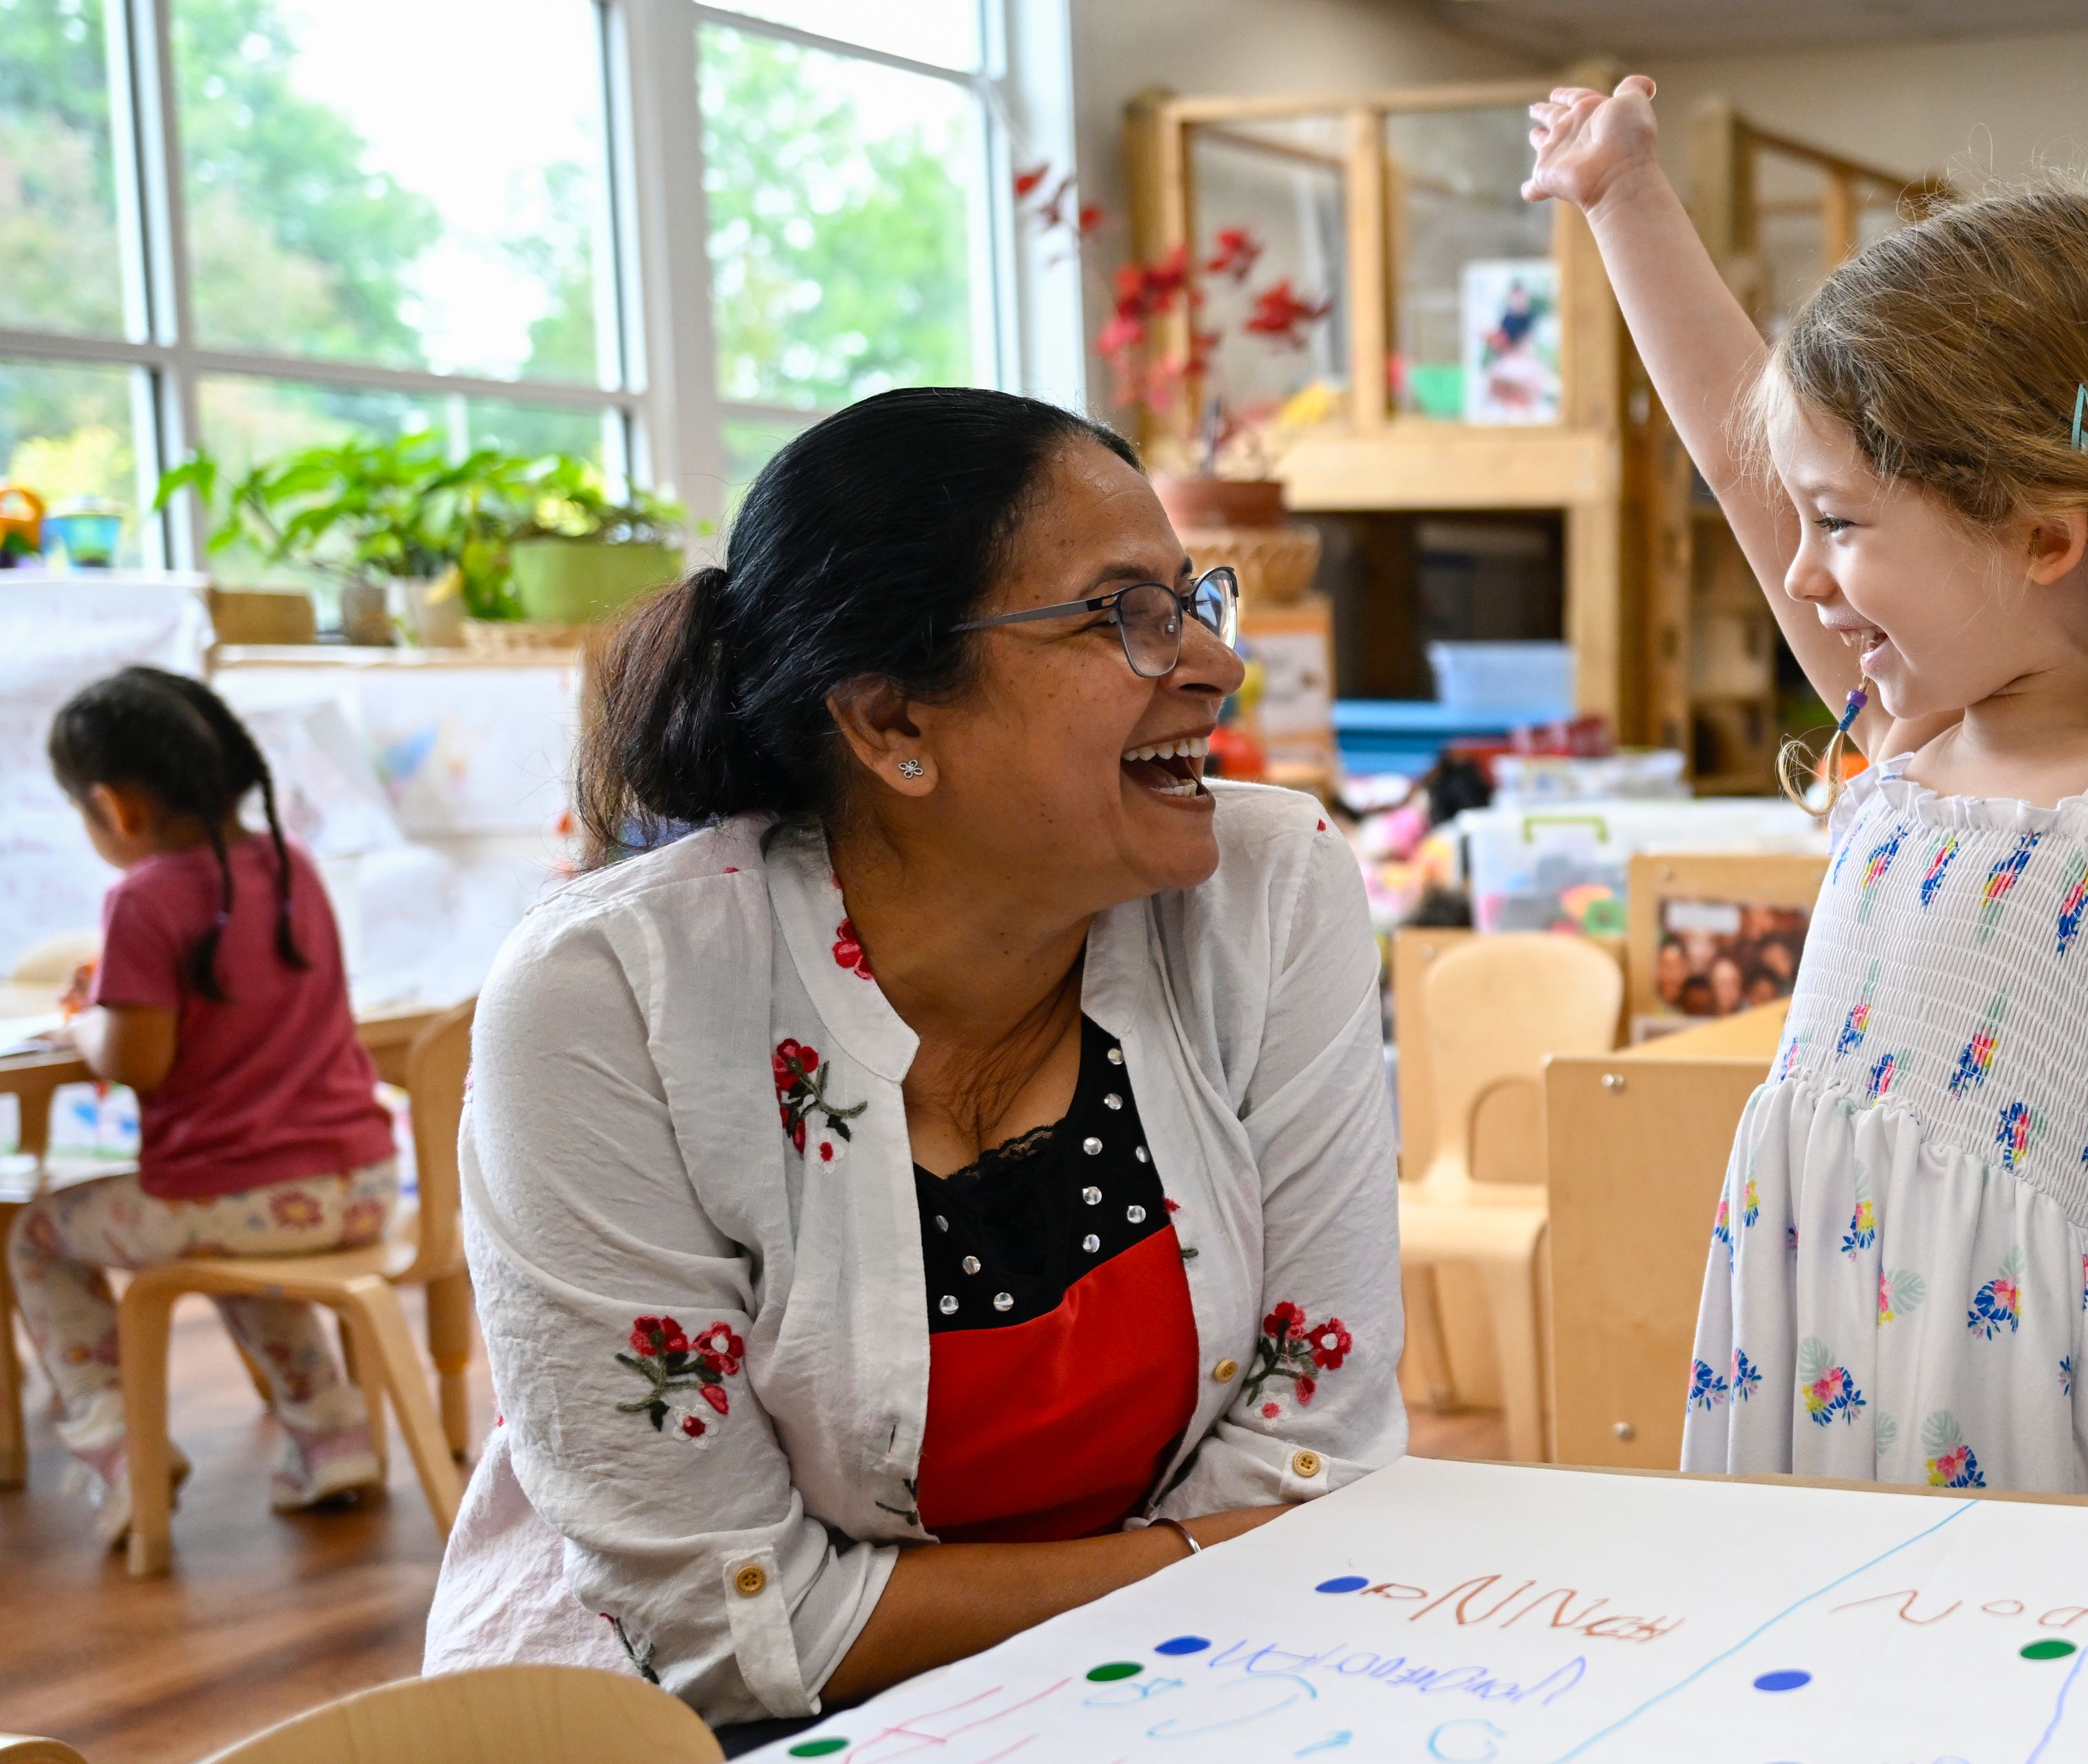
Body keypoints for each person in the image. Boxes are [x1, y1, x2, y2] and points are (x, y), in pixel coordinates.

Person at [422, 387, 1404, 1743]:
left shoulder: (1268, 889)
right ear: (892, 723)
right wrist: (1185, 1572)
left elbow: (1315, 1452)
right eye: (1124, 612)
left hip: (1175, 1686)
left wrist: (1155, 1633)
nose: (1214, 664)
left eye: (1193, 598)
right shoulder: (615, 996)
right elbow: (729, 1625)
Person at [1526, 79, 2088, 1497]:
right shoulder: (1905, 730)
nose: (1800, 574)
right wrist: (1623, 192)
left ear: (2047, 532)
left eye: (1844, 526)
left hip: (2012, 1405)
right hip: (1812, 1344)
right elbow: (1733, 449)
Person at [14, 666, 397, 1541]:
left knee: (37, 1237)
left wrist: (86, 1023)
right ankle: (330, 1432)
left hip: (238, 1198)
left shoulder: (145, 898)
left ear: (116, 808)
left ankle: (114, 1441)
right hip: (360, 1182)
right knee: (228, 1237)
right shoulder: (293, 867)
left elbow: (137, 1061)